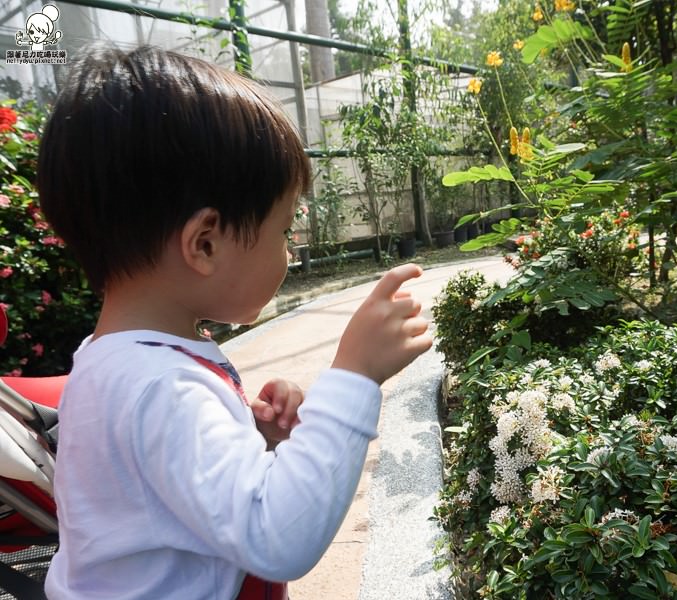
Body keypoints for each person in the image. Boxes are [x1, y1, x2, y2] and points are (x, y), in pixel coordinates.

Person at [36, 44, 432, 599]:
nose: (289, 251)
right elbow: (277, 536)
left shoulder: (115, 362)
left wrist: (250, 441)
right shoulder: (162, 388)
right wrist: (355, 375)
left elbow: (172, 493)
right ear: (205, 243)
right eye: (283, 230)